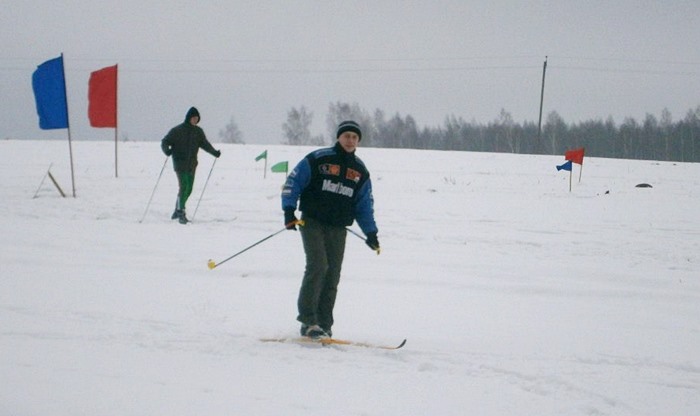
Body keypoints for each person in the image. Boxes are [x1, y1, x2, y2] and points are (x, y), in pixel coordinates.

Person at [281, 120, 380, 339]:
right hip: (312, 222)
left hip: (338, 228)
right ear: (338, 137)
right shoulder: (319, 158)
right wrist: (289, 211)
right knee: (318, 266)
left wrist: (371, 233)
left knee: (332, 275)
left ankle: (324, 324)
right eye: (347, 136)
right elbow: (293, 182)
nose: (350, 140)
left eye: (355, 137)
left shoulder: (360, 170)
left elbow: (364, 205)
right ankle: (308, 321)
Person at [161, 107, 220, 224]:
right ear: (188, 118)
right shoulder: (177, 130)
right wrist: (166, 150)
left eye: (197, 119)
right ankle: (181, 212)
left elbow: (205, 144)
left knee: (189, 189)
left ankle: (177, 209)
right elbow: (165, 141)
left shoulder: (198, 132)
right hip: (180, 163)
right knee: (184, 186)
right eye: (193, 118)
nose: (195, 120)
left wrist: (214, 152)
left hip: (192, 164)